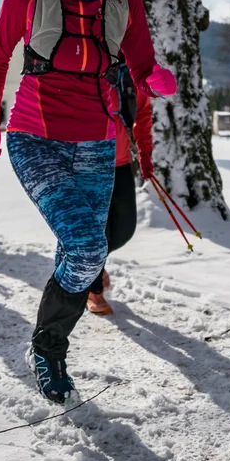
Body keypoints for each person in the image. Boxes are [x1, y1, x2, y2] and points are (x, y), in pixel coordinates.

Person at [0, 0, 175, 405]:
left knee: (87, 247)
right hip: (34, 137)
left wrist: (156, 77)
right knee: (88, 248)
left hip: (95, 141)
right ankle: (48, 349)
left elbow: (139, 59)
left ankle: (50, 338)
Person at [85, 61, 154, 316]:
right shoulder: (88, 63)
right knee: (97, 230)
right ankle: (93, 290)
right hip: (89, 164)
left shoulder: (131, 71)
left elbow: (143, 113)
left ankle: (89, 264)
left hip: (121, 162)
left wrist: (145, 154)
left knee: (124, 229)